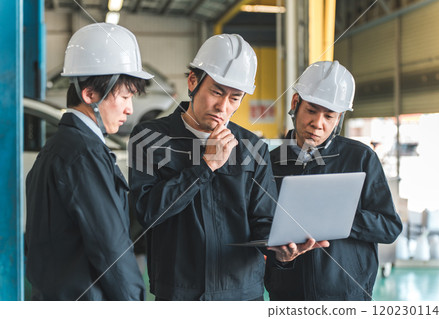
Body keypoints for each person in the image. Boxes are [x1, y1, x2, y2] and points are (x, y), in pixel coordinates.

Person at [128, 34, 326, 301]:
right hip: (180, 293)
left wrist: (281, 248)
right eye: (216, 92)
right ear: (192, 82)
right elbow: (148, 213)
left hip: (242, 293)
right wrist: (206, 165)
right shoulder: (150, 137)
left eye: (235, 98)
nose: (223, 106)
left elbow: (264, 219)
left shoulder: (252, 146)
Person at [25, 23, 152, 300]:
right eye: (125, 96)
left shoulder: (56, 148)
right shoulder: (84, 154)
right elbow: (111, 249)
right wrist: (134, 302)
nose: (129, 109)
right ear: (90, 94)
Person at [264, 61, 403, 301]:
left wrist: (338, 218)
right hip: (289, 297)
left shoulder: (359, 158)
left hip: (347, 297)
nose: (318, 123)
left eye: (329, 116)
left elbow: (389, 227)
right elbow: (260, 229)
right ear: (295, 104)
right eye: (311, 110)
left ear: (338, 119)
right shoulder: (269, 163)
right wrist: (281, 259)